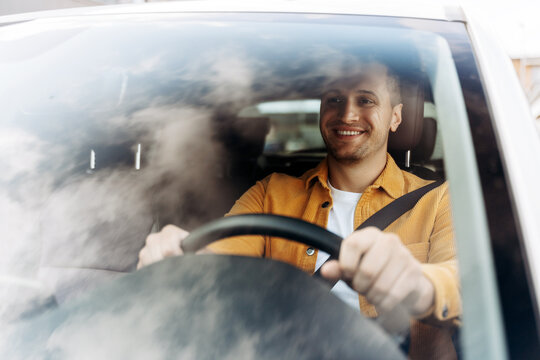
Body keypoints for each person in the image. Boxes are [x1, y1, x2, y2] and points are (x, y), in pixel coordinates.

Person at [137, 62, 460, 359]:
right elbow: (220, 261)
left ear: (395, 117)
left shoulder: (437, 199)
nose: (347, 114)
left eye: (366, 100)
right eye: (334, 99)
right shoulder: (271, 192)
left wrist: (418, 284)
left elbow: (460, 280)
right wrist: (179, 262)